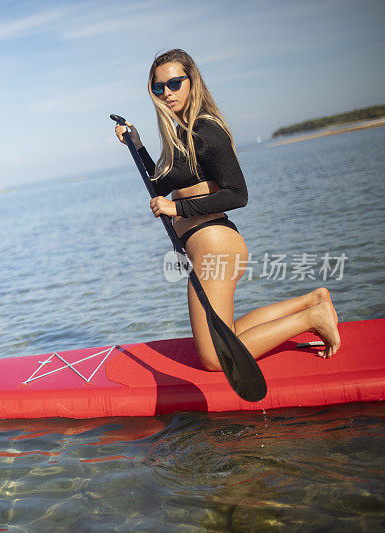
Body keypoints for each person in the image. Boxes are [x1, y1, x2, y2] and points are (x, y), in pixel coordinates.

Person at [115, 49, 340, 371]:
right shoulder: (183, 132)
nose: (167, 93)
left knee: (216, 358)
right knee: (227, 334)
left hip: (214, 245)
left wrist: (177, 207)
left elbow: (237, 194)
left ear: (192, 81)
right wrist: (136, 146)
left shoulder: (207, 130)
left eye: (174, 83)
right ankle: (311, 302)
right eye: (158, 88)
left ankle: (311, 317)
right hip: (205, 243)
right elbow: (161, 187)